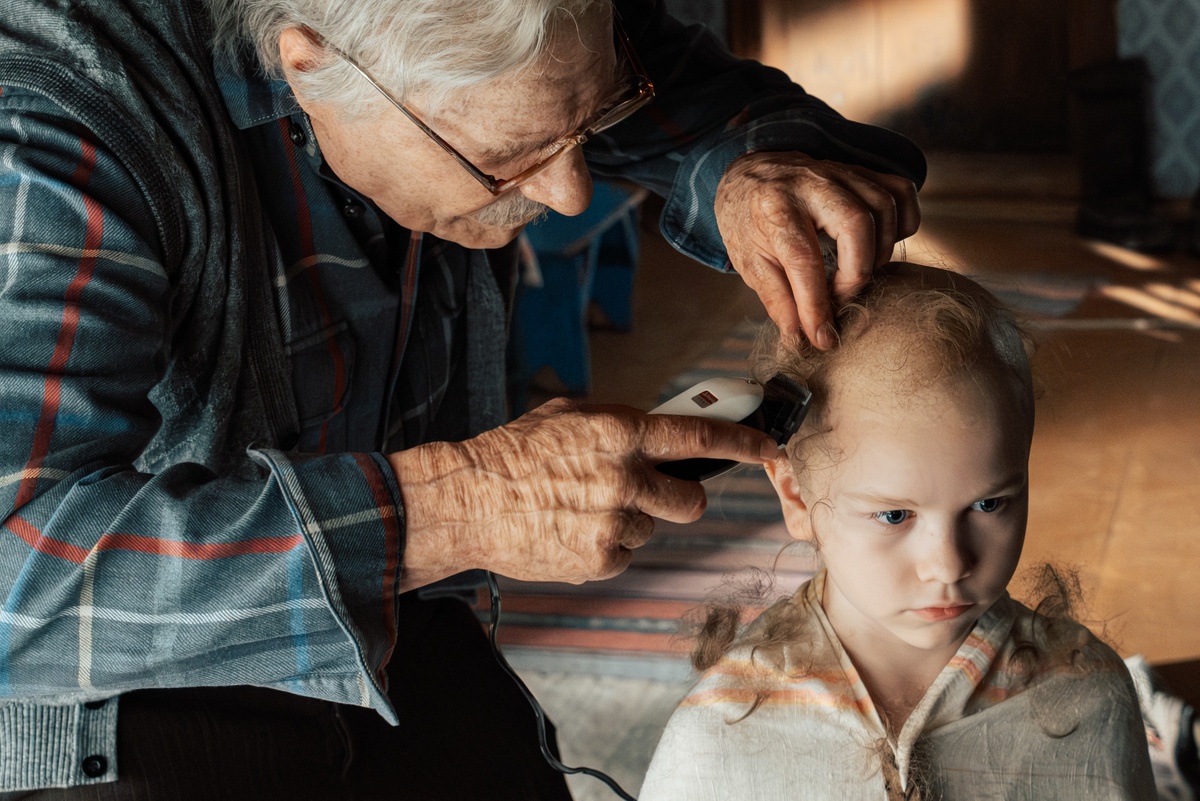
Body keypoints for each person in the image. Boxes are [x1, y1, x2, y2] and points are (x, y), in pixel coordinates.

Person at [0, 0, 925, 797]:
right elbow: (16, 578)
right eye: (509, 160)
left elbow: (647, 76)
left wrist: (737, 162)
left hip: (400, 612)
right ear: (309, 62)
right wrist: (456, 507)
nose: (568, 195)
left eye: (590, 128)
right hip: (118, 696)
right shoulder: (55, 128)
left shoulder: (468, 37)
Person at [639, 263, 1156, 800]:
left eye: (988, 503)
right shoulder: (720, 734)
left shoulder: (1088, 698)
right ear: (795, 495)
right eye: (894, 515)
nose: (949, 565)